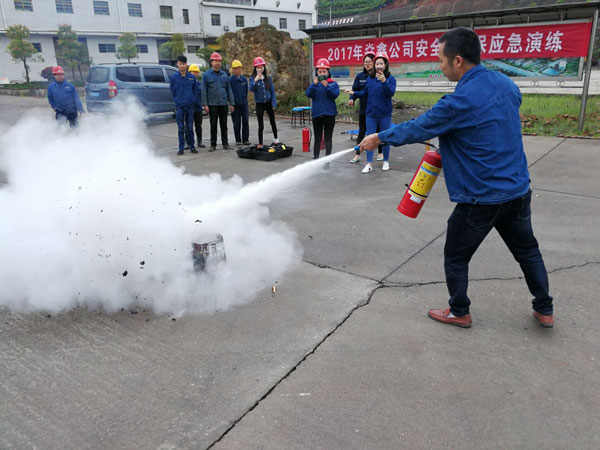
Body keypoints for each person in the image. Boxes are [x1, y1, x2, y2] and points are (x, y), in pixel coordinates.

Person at [359, 27, 554, 328]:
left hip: (480, 197)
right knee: (528, 251)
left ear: (458, 60)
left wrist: (379, 138)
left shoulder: (457, 102)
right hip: (517, 190)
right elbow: (498, 115)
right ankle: (545, 309)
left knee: (456, 256)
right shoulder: (506, 84)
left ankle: (459, 311)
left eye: (441, 60)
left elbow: (417, 128)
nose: (440, 66)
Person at [348, 52, 396, 173]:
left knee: (385, 138)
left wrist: (384, 81)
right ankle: (369, 163)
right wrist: (354, 93)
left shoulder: (391, 79)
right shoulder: (370, 78)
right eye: (377, 64)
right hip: (371, 114)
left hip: (384, 115)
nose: (379, 66)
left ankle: (386, 161)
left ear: (386, 65)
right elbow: (366, 93)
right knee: (369, 138)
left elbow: (390, 93)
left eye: (381, 63)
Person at [347, 53, 383, 164]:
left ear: (374, 63)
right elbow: (355, 90)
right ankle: (357, 154)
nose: (367, 64)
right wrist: (352, 98)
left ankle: (380, 153)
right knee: (362, 132)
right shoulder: (360, 77)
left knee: (378, 132)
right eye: (365, 62)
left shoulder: (378, 76)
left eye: (369, 62)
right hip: (364, 110)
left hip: (376, 110)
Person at [305, 58, 339, 159]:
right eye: (320, 72)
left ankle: (327, 158)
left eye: (324, 71)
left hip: (329, 114)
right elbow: (308, 94)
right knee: (318, 138)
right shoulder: (314, 84)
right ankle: (316, 157)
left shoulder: (333, 83)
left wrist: (327, 86)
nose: (322, 74)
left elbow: (335, 95)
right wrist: (314, 85)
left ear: (328, 72)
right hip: (317, 114)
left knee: (328, 138)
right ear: (317, 72)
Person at [201, 52, 235, 151]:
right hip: (212, 104)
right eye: (215, 61)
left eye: (219, 61)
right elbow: (204, 90)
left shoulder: (224, 75)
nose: (217, 63)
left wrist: (231, 103)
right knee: (213, 125)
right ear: (211, 62)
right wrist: (205, 104)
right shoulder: (206, 75)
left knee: (224, 125)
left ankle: (225, 143)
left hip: (223, 103)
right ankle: (213, 144)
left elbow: (228, 89)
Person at [169, 55, 197, 155]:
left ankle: (192, 147)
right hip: (179, 106)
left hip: (190, 106)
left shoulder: (191, 77)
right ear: (177, 64)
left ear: (186, 64)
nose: (182, 66)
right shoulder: (174, 77)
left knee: (190, 127)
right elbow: (172, 90)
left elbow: (195, 91)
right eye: (180, 64)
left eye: (184, 64)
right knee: (181, 128)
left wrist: (192, 100)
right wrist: (177, 100)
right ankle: (181, 148)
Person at [249, 56, 278, 147]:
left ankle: (276, 138)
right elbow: (251, 89)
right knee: (260, 124)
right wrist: (255, 80)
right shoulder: (252, 78)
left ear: (264, 68)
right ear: (255, 69)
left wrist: (274, 103)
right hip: (259, 104)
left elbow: (272, 91)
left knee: (272, 121)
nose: (260, 69)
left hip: (268, 102)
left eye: (261, 67)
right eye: (257, 68)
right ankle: (260, 143)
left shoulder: (268, 78)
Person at [229, 59, 250, 146]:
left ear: (241, 69)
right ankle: (238, 139)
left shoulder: (244, 79)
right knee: (236, 123)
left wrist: (244, 100)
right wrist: (231, 103)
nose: (237, 70)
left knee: (245, 121)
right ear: (232, 70)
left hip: (244, 104)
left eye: (238, 68)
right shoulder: (230, 80)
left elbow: (246, 91)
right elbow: (229, 92)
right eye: (235, 69)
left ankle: (245, 139)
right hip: (235, 105)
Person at [187, 64, 205, 149]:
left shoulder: (200, 84)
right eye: (192, 72)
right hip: (189, 108)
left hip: (198, 108)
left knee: (198, 126)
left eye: (196, 72)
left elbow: (202, 95)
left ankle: (199, 141)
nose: (194, 73)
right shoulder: (187, 83)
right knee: (188, 126)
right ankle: (188, 142)